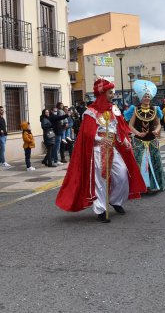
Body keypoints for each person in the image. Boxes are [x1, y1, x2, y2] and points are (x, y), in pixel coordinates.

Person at [56, 78, 146, 223]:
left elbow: (119, 128)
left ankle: (115, 200)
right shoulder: (90, 112)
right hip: (98, 150)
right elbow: (86, 133)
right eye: (110, 92)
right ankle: (101, 209)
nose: (113, 95)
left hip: (113, 148)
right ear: (103, 93)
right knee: (101, 180)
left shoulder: (113, 109)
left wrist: (124, 141)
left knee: (122, 174)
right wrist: (99, 139)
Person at [128, 80, 165, 192]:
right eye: (145, 96)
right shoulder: (135, 110)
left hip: (152, 141)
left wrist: (157, 131)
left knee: (155, 162)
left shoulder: (155, 109)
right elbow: (130, 125)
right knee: (139, 163)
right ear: (141, 97)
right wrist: (138, 133)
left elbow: (159, 124)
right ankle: (140, 186)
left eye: (148, 96)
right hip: (139, 141)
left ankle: (155, 185)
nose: (147, 98)